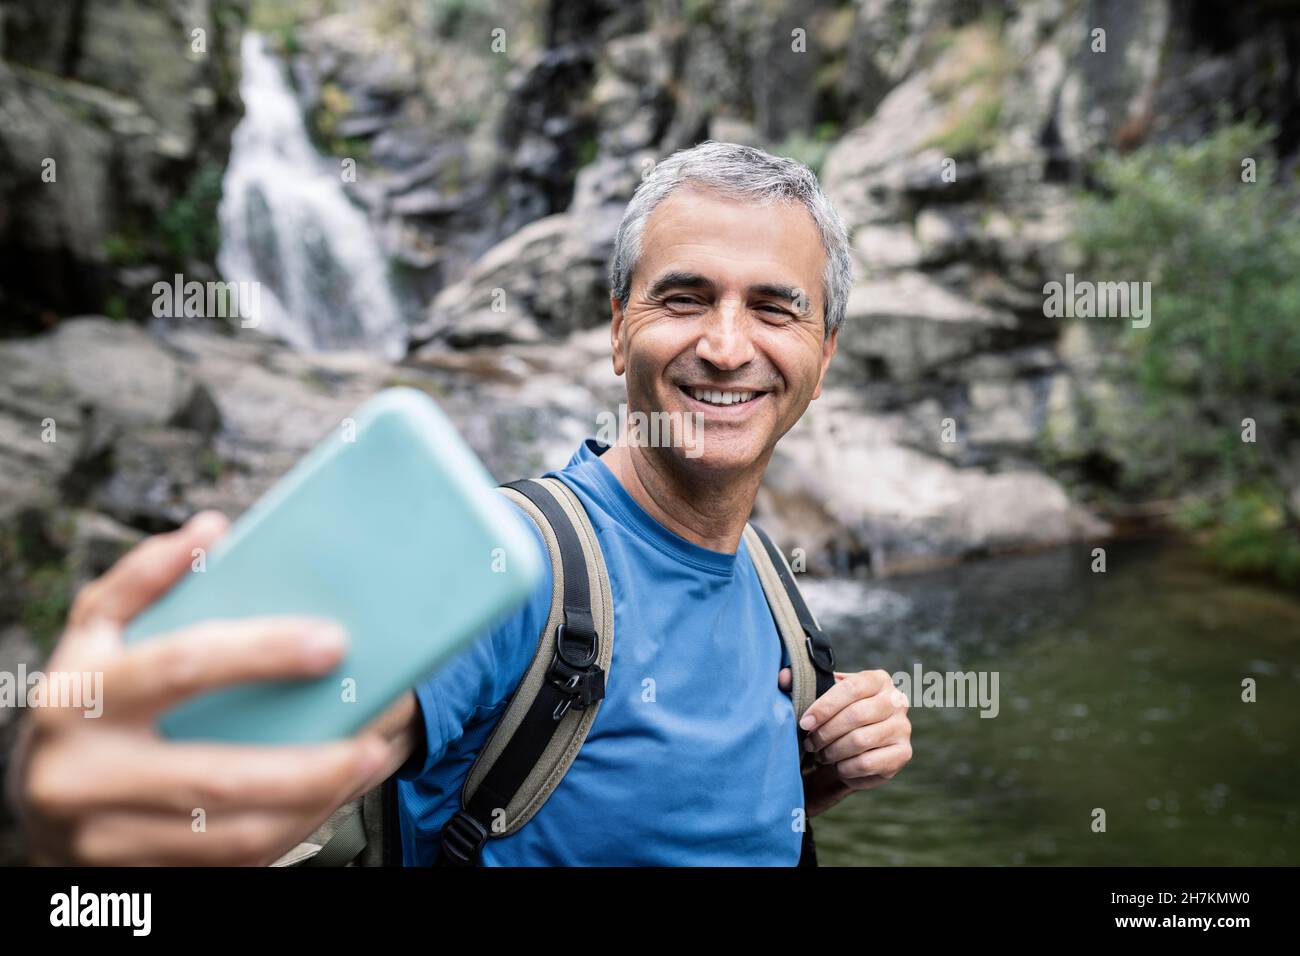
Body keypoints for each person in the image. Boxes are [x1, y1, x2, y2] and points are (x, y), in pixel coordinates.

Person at [7, 141, 912, 865]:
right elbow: (232, 803)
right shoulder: (503, 569)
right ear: (617, 329)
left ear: (824, 354)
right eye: (684, 298)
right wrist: (81, 827)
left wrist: (798, 782)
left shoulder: (771, 585)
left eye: (772, 309)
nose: (724, 345)